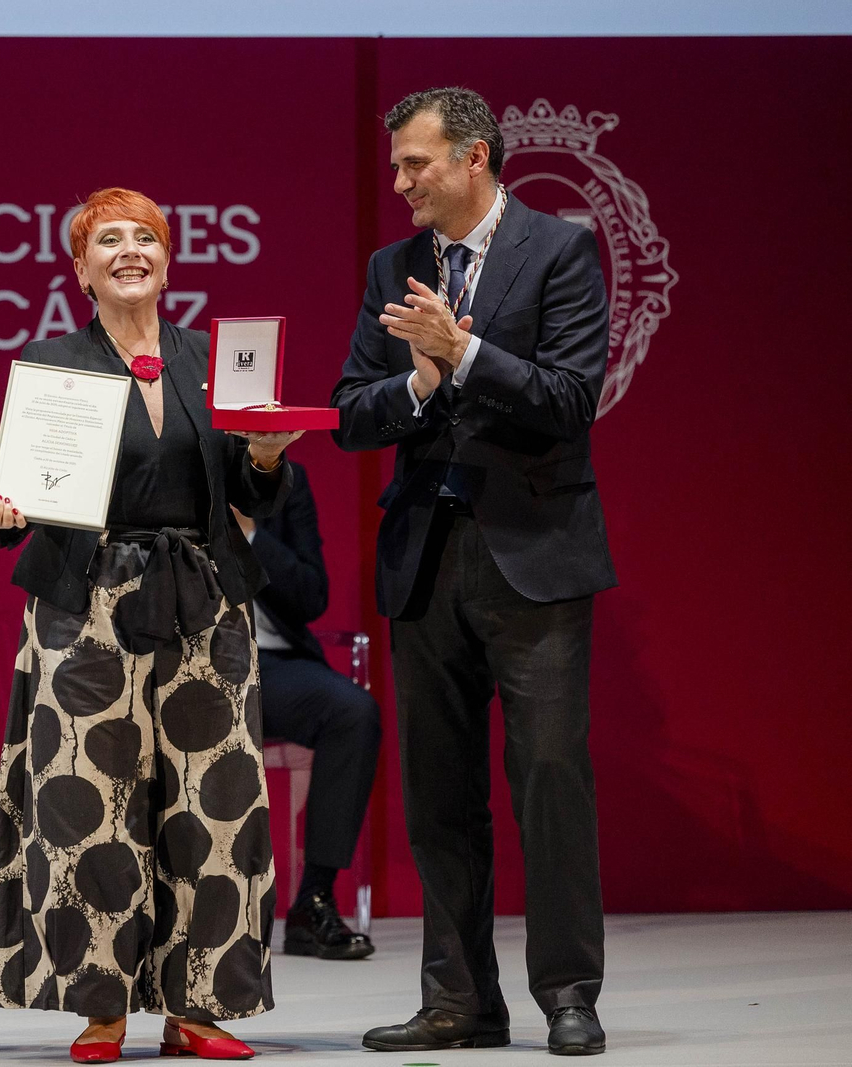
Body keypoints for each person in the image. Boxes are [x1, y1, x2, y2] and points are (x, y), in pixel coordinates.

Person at [0, 187, 301, 1063]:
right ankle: (101, 1008)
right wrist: (5, 504)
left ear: (167, 259)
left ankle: (199, 1007)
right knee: (88, 801)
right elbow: (27, 484)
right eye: (107, 239)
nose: (129, 251)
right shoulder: (54, 363)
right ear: (81, 269)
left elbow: (253, 490)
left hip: (205, 598)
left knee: (213, 801)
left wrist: (267, 456)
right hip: (87, 599)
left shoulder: (215, 360)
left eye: (145, 237)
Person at [332, 87, 616, 1057]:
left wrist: (464, 352)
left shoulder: (560, 250)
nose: (401, 183)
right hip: (425, 556)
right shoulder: (393, 266)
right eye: (396, 166)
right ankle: (459, 998)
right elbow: (351, 412)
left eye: (416, 164)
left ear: (475, 158)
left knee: (549, 777)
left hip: (534, 552)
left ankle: (569, 993)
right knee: (438, 792)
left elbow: (570, 399)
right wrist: (418, 381)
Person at [229, 460, 381, 961]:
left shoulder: (287, 481)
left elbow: (312, 595)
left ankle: (313, 900)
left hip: (273, 666)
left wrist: (250, 534)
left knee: (352, 711)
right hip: (191, 660)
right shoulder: (173, 470)